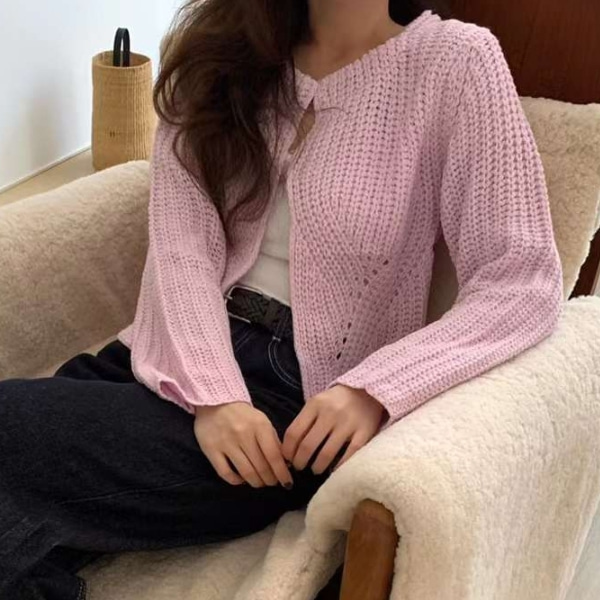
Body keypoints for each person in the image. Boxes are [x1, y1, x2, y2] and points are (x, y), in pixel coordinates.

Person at [0, 0, 564, 598]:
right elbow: (180, 246)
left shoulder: (455, 64)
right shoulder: (219, 56)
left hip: (293, 406)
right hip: (168, 351)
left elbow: (520, 278)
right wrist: (214, 395)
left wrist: (374, 389)